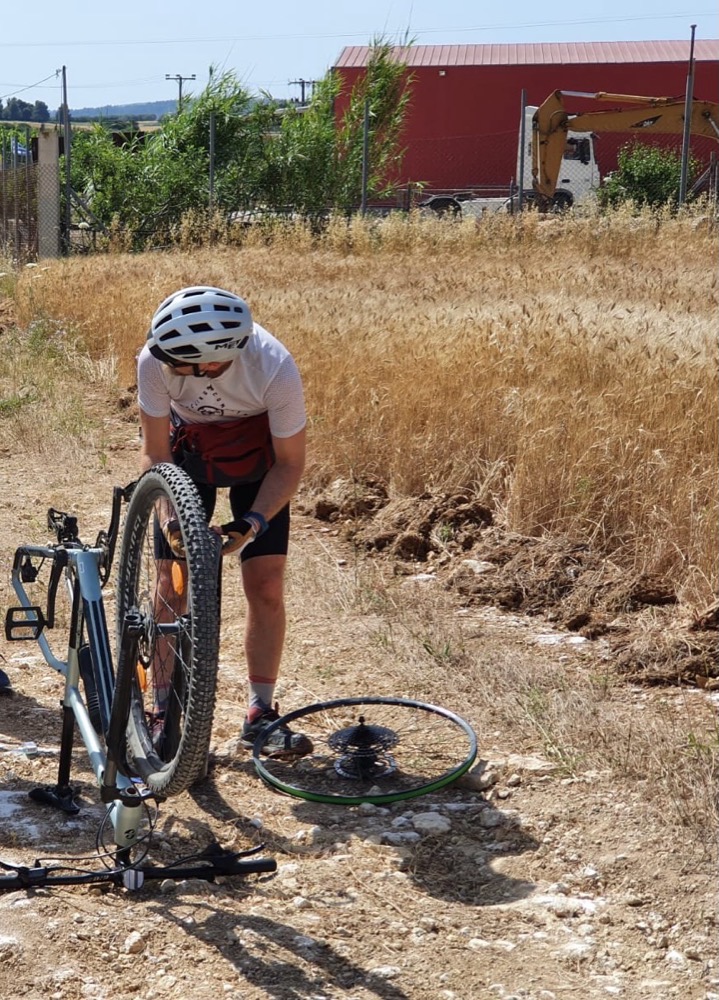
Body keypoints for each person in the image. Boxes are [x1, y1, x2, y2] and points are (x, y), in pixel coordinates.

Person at [136, 285, 312, 757]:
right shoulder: (155, 359)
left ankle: (261, 711)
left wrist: (253, 523)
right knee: (172, 581)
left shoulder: (274, 367)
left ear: (214, 361)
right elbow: (156, 453)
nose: (167, 366)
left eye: (180, 363)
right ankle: (161, 706)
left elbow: (291, 463)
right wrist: (173, 518)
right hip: (188, 458)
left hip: (261, 464)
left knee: (266, 583)